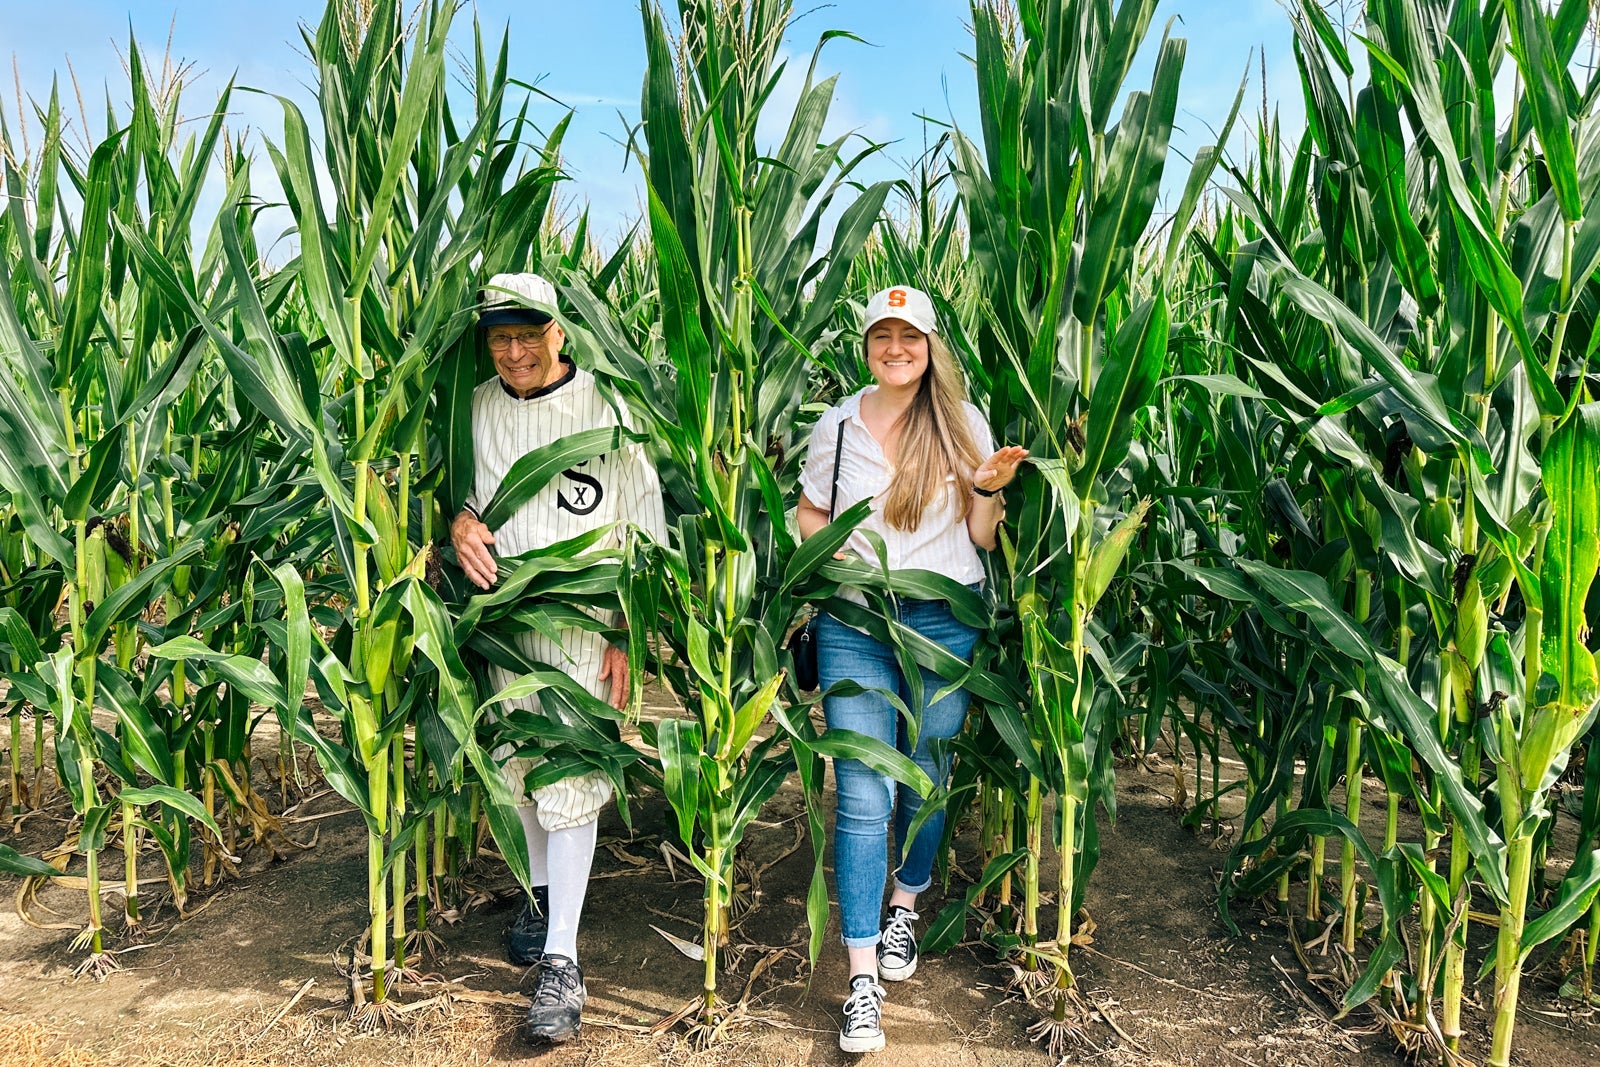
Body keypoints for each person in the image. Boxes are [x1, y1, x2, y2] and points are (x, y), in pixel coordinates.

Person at [795, 285, 1026, 1053]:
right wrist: (829, 550)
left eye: (910, 336)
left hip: (943, 621)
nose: (896, 348)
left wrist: (987, 491)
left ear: (930, 347)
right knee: (864, 792)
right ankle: (861, 977)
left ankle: (905, 902)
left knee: (926, 774)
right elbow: (810, 512)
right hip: (856, 622)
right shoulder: (837, 426)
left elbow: (983, 537)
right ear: (867, 346)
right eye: (882, 336)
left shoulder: (962, 423)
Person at [450, 272, 665, 1045]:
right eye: (500, 338)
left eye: (528, 336)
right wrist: (460, 524)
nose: (514, 352)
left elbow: (643, 523)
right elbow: (465, 495)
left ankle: (563, 962)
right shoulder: (475, 407)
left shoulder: (607, 409)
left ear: (559, 333)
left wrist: (629, 632)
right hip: (503, 620)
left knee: (571, 774)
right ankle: (540, 897)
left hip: (583, 623)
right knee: (518, 767)